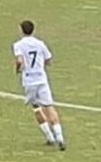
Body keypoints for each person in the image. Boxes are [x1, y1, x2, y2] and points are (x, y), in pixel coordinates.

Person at [12, 20, 65, 150]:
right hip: (41, 79)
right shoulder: (40, 44)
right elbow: (48, 60)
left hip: (29, 80)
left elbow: (19, 60)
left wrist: (18, 68)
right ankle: (60, 137)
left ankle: (49, 137)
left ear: (21, 30)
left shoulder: (18, 45)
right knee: (49, 107)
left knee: (36, 107)